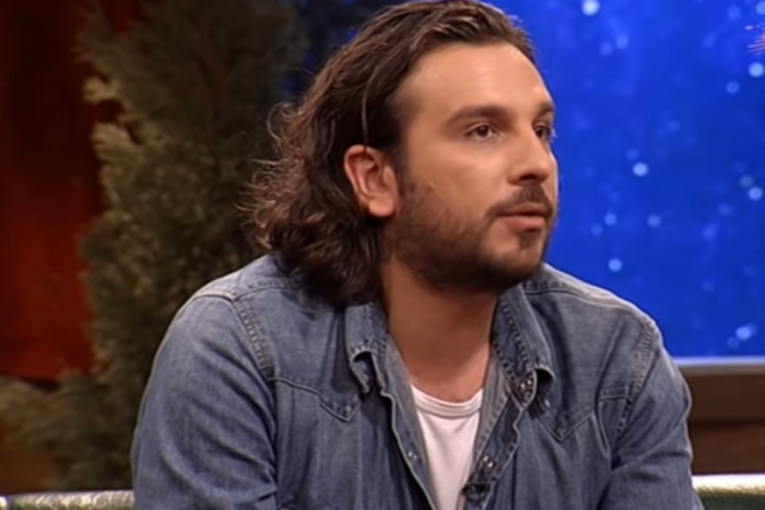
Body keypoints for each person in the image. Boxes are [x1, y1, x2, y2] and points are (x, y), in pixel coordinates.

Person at [130, 1, 703, 509]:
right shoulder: (238, 349)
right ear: (374, 178)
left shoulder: (617, 360)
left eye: (541, 130)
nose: (536, 164)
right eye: (483, 131)